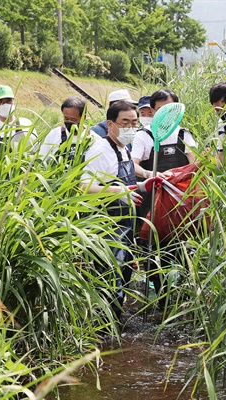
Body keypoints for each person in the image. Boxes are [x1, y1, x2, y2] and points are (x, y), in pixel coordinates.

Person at [81, 100, 164, 326]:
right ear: (110, 124)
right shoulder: (99, 150)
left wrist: (145, 181)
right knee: (111, 277)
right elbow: (85, 187)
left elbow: (127, 181)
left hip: (126, 225)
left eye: (134, 122)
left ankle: (115, 322)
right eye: (124, 122)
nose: (130, 127)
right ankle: (104, 328)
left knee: (125, 273)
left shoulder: (123, 148)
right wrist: (118, 191)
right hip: (108, 226)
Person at [131, 88, 197, 311]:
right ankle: (160, 300)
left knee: (181, 249)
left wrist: (177, 176)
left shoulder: (184, 135)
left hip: (180, 202)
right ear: (152, 111)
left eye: (169, 110)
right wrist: (150, 174)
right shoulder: (144, 135)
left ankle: (181, 298)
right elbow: (134, 164)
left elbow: (195, 163)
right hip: (152, 201)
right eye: (159, 110)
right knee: (151, 250)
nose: (164, 116)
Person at [0, 85, 37, 167]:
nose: (5, 104)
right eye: (1, 102)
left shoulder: (26, 124)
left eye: (8, 101)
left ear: (13, 102)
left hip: (20, 176)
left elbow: (34, 152)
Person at [38, 96, 98, 161]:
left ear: (84, 117)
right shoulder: (54, 135)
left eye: (73, 119)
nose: (69, 122)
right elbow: (41, 161)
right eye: (66, 118)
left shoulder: (94, 139)